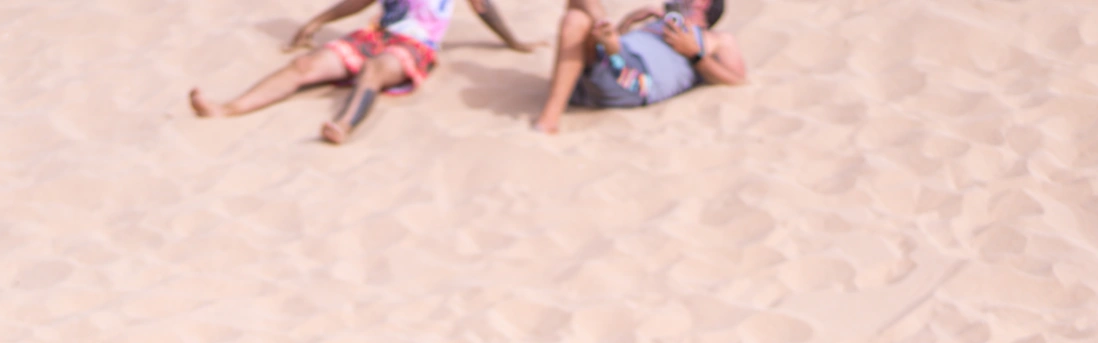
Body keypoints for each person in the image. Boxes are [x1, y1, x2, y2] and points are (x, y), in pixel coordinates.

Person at [189, 0, 536, 144]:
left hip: (417, 46)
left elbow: (484, 8)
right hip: (375, 35)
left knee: (374, 70)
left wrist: (513, 42)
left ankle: (343, 125)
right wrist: (317, 22)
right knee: (304, 65)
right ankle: (227, 108)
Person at [533, 0, 746, 133]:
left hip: (637, 80)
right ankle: (608, 34)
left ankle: (549, 118)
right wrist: (629, 21)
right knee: (577, 14)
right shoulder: (658, 21)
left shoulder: (714, 39)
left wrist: (695, 54)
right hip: (603, 67)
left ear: (703, 4)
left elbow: (737, 79)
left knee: (583, 21)